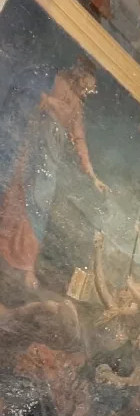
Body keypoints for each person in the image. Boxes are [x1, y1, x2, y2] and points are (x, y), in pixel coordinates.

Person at [0, 58, 108, 290]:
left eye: (89, 90)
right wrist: (47, 103)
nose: (86, 92)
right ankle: (4, 244)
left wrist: (93, 176)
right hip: (35, 145)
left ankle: (27, 263)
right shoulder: (58, 80)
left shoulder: (78, 108)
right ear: (79, 76)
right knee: (18, 193)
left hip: (51, 159)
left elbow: (80, 141)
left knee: (40, 206)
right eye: (86, 86)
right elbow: (33, 98)